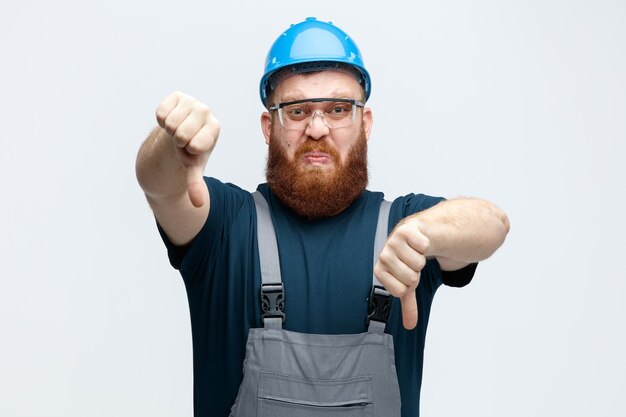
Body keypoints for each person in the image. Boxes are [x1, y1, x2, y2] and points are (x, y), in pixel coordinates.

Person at [136, 17, 509, 417]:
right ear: (268, 126)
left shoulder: (402, 228)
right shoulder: (226, 228)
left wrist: (427, 233)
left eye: (338, 109)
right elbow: (160, 185)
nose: (317, 128)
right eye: (296, 110)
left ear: (364, 123)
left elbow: (491, 223)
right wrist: (173, 144)